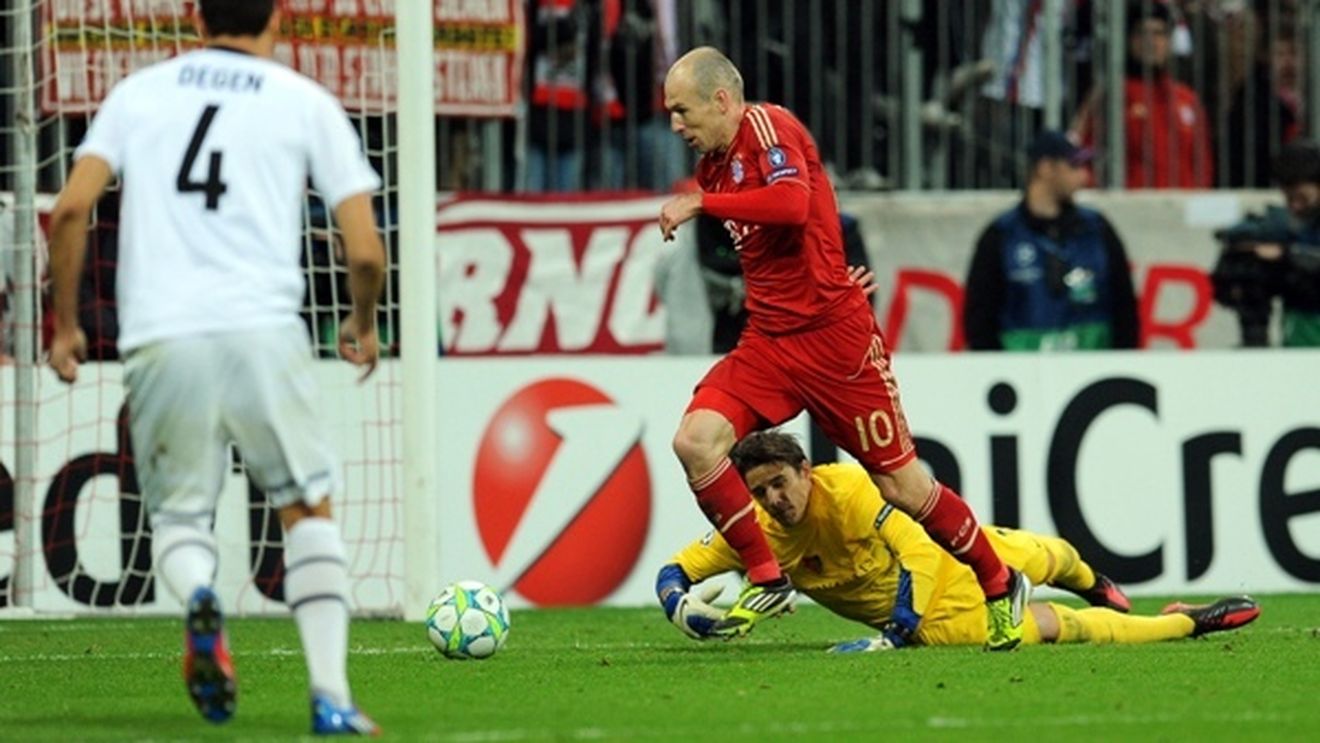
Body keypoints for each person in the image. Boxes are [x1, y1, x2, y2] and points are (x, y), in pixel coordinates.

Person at [46, 0, 384, 735]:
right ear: (279, 18)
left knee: (178, 518)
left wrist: (66, 325)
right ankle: (331, 698)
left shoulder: (139, 94)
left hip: (162, 335)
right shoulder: (304, 101)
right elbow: (363, 249)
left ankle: (201, 592)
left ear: (196, 19)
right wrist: (361, 321)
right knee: (307, 510)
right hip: (263, 331)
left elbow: (70, 210)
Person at [656, 46, 1030, 651]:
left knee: (903, 488)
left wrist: (705, 206)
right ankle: (768, 577)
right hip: (770, 342)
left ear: (721, 100)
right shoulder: (713, 169)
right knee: (695, 442)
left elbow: (792, 204)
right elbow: (790, 244)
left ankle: (1000, 581)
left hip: (837, 346)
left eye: (682, 110)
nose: (675, 124)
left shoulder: (770, 128)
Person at [656, 431, 1261, 649]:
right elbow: (674, 571)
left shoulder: (850, 490)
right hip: (939, 618)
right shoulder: (753, 532)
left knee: (1051, 555)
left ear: (806, 472)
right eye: (759, 492)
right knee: (1060, 627)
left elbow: (919, 548)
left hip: (939, 568)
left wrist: (893, 634)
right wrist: (682, 608)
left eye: (779, 484)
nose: (772, 500)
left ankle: (1095, 582)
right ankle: (1184, 622)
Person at [963, 130, 1140, 351]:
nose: (1083, 176)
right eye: (1074, 166)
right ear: (1045, 168)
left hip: (1093, 368)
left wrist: (1121, 363)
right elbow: (980, 317)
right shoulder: (1002, 235)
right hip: (1021, 369)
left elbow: (1125, 309)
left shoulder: (1097, 229)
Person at [1072, 1, 1213, 189]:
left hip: (1183, 204)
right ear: (1130, 41)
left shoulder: (1187, 99)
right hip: (1131, 203)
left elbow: (1203, 166)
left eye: (1159, 34)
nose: (1151, 42)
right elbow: (1085, 155)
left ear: (1169, 42)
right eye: (1142, 33)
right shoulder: (1112, 95)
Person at [1211, 140, 1320, 347]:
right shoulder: (1286, 225)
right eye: (1289, 198)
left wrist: (1286, 254)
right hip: (1300, 329)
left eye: (1302, 197)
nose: (1295, 206)